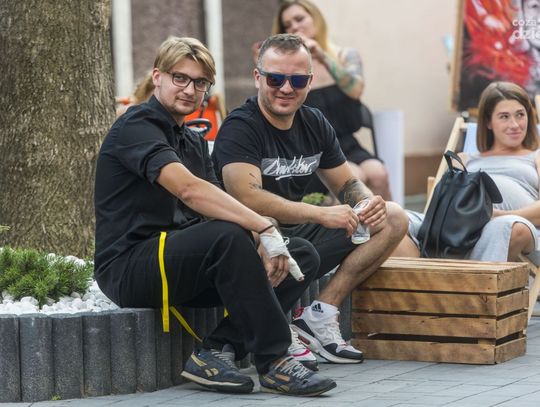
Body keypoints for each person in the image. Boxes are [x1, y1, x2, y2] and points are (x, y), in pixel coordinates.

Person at [94, 36, 337, 396]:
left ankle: (215, 351)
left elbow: (216, 204)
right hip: (130, 268)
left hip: (181, 263)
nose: (189, 89)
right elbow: (189, 190)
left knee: (298, 253)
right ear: (158, 77)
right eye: (180, 78)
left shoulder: (192, 140)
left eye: (200, 82)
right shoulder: (136, 126)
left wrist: (261, 240)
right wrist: (262, 225)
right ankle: (274, 361)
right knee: (230, 235)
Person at [212, 33, 408, 366]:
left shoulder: (314, 122)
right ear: (258, 77)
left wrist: (366, 202)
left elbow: (347, 182)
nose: (286, 88)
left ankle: (319, 315)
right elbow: (246, 197)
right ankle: (276, 329)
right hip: (254, 236)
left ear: (310, 81)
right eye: (275, 79)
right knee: (289, 243)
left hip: (298, 236)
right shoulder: (241, 126)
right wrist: (319, 214)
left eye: (298, 80)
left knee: (393, 217)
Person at [393, 81, 539, 262]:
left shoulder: (536, 156)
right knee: (395, 218)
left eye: (520, 115)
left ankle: (469, 277)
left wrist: (495, 215)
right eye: (504, 117)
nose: (515, 124)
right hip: (459, 228)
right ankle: (433, 276)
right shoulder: (464, 159)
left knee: (507, 227)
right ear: (488, 122)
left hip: (506, 227)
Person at [270, 0, 392, 200]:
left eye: (299, 19)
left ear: (315, 19)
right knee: (356, 178)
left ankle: (389, 220)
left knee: (379, 173)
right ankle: (346, 222)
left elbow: (356, 90)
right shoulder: (289, 68)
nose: (294, 27)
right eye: (287, 25)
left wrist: (321, 56)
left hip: (347, 143)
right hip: (312, 151)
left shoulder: (344, 56)